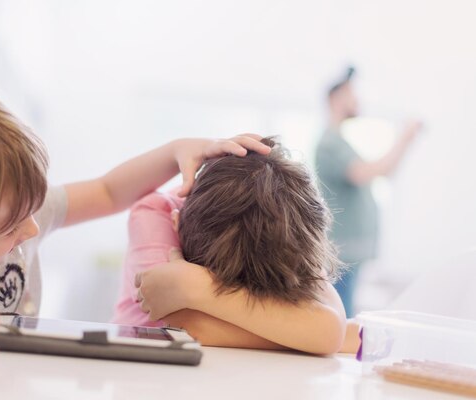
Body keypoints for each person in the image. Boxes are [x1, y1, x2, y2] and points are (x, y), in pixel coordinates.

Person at [0, 77, 269, 381]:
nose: (32, 228)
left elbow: (107, 191)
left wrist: (176, 149)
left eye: (32, 211)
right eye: (12, 225)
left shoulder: (14, 208)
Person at [114, 137, 348, 355]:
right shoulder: (155, 214)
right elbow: (189, 327)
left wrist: (195, 286)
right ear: (175, 223)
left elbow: (328, 330)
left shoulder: (284, 227)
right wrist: (303, 337)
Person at [314, 67, 421, 317]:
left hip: (350, 251)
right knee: (341, 317)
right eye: (351, 94)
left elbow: (383, 171)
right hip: (342, 251)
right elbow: (367, 172)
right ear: (335, 99)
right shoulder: (330, 143)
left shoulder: (340, 142)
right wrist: (405, 137)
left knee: (343, 313)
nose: (357, 100)